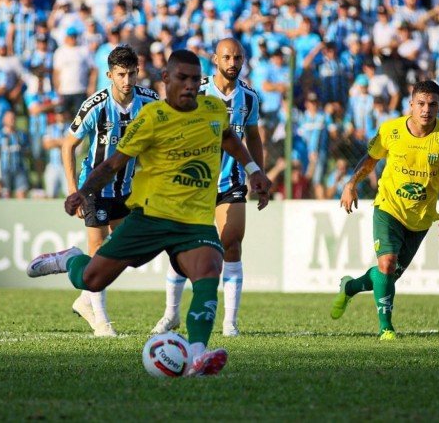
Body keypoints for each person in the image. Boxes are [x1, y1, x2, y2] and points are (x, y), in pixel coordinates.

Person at [26, 50, 272, 376]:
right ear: (166, 80)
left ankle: (198, 353)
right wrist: (82, 192)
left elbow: (229, 138)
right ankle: (70, 259)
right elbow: (113, 163)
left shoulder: (213, 109)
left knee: (209, 269)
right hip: (149, 216)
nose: (189, 86)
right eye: (181, 78)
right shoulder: (151, 117)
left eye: (195, 79)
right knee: (92, 277)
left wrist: (254, 169)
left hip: (194, 219)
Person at [330, 80, 439, 339]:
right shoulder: (391, 130)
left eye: (432, 105)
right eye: (420, 104)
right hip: (388, 207)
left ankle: (350, 287)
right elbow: (370, 160)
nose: (426, 110)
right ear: (411, 104)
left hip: (420, 218)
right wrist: (351, 184)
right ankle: (386, 328)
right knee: (386, 265)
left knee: (387, 276)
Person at [153, 38, 262, 338]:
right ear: (215, 59)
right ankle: (171, 314)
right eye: (227, 57)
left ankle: (230, 323)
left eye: (238, 57)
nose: (233, 63)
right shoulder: (196, 91)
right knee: (180, 248)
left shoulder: (250, 97)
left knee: (232, 243)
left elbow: (253, 138)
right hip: (193, 182)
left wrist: (258, 174)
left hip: (232, 181)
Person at [57, 45, 158, 337]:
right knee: (99, 250)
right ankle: (101, 321)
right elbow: (68, 145)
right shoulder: (96, 105)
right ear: (109, 75)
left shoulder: (150, 102)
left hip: (127, 190)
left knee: (129, 253)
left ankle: (85, 295)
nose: (127, 80)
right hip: (95, 188)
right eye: (121, 74)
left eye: (131, 74)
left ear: (138, 72)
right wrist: (74, 190)